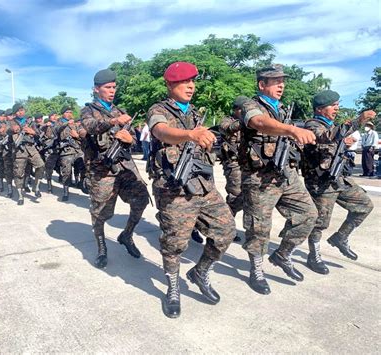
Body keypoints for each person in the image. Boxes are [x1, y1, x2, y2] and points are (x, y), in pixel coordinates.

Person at [147, 61, 236, 318]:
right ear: (170, 85)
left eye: (192, 81)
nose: (191, 86)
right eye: (184, 82)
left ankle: (200, 271)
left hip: (204, 186)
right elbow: (161, 131)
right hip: (174, 190)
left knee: (226, 231)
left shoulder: (196, 112)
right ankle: (173, 287)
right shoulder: (158, 109)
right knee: (175, 243)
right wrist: (191, 134)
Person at [239, 65, 318, 295]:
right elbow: (259, 123)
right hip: (259, 177)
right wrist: (290, 129)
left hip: (286, 173)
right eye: (275, 81)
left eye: (282, 81)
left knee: (309, 214)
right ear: (262, 85)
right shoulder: (251, 106)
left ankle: (282, 254)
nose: (281, 85)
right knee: (259, 227)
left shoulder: (282, 109)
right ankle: (257, 269)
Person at [81, 69, 149, 270]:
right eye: (107, 87)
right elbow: (91, 126)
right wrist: (112, 121)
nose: (112, 91)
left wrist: (131, 139)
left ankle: (126, 234)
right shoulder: (88, 110)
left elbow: (133, 138)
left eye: (114, 87)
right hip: (102, 170)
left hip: (124, 165)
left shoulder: (119, 110)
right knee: (101, 212)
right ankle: (102, 247)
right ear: (96, 89)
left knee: (141, 199)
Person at [301, 90, 375, 272]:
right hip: (321, 182)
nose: (337, 108)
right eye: (333, 105)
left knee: (364, 205)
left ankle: (340, 237)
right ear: (319, 109)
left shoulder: (330, 125)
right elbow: (325, 137)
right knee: (320, 222)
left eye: (337, 104)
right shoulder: (312, 125)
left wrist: (344, 142)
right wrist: (358, 120)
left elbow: (333, 140)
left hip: (338, 179)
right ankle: (314, 256)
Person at [9, 103, 45, 205]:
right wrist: (12, 129)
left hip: (31, 148)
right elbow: (5, 131)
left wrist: (32, 132)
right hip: (19, 150)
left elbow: (39, 134)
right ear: (15, 112)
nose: (21, 112)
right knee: (19, 173)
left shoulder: (30, 122)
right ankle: (20, 195)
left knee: (41, 165)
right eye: (18, 110)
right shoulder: (11, 122)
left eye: (22, 110)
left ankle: (36, 187)